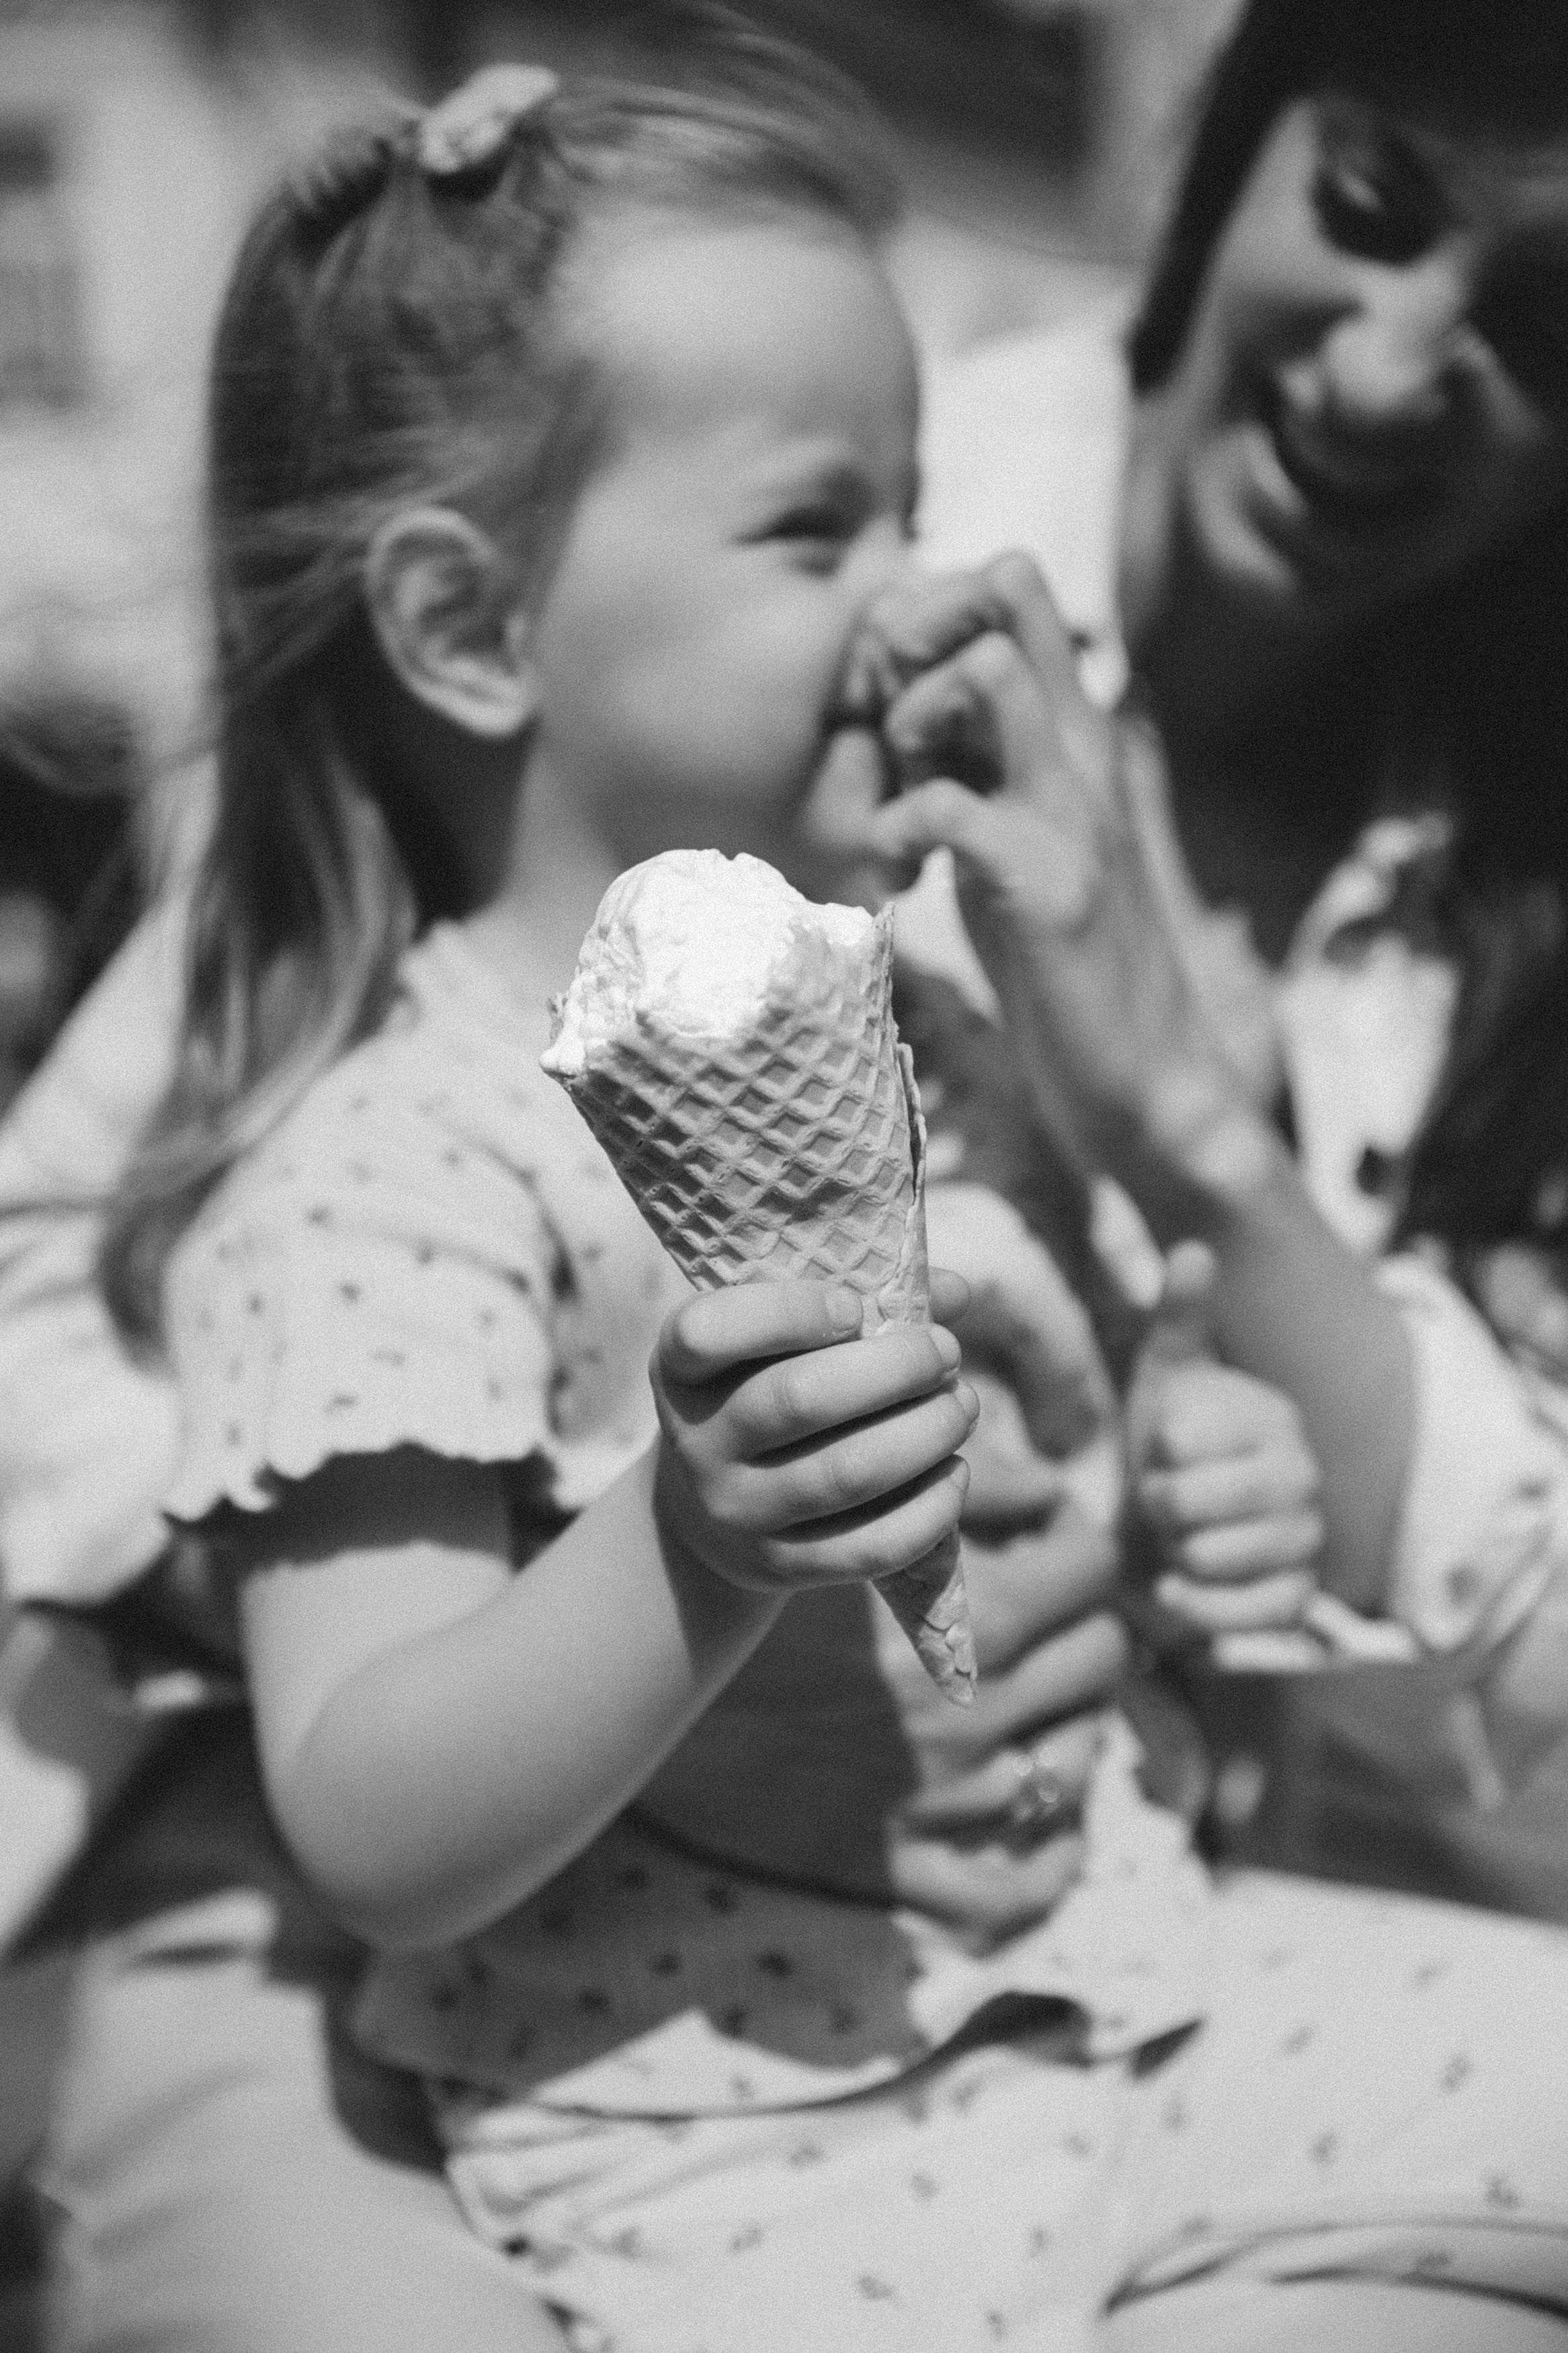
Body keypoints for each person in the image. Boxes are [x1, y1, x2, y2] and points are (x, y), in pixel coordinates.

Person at [9, 21, 1568, 2353]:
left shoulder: (928, 1007)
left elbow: (1056, 1429)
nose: (923, 590)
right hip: (734, 2124)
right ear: (467, 627)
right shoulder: (380, 1152)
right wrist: (689, 1538)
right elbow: (365, 1804)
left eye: (919, 503)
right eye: (823, 525)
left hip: (1103, 1986)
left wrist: (1185, 1490)